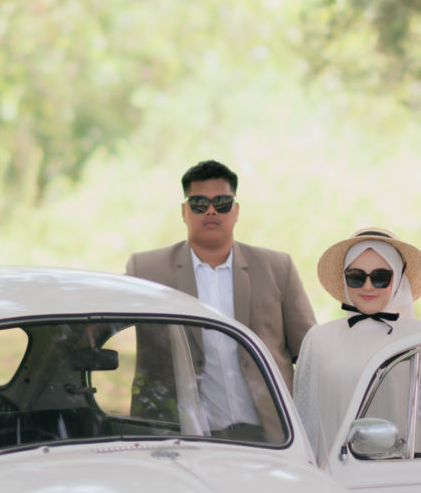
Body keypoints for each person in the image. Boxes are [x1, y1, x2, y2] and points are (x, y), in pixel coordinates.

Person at [126, 159, 316, 435]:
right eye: (199, 203)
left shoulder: (277, 268)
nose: (211, 211)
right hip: (183, 436)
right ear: (184, 211)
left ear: (236, 210)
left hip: (272, 434)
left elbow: (309, 355)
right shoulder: (147, 270)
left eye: (222, 203)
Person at [293, 226, 421, 463]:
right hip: (337, 472)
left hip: (401, 472)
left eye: (380, 277)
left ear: (398, 278)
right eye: (356, 277)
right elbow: (305, 417)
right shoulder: (318, 339)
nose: (368, 287)